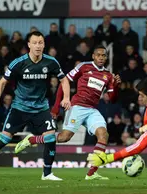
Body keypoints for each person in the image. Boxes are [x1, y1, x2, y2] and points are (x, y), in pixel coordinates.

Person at [0, 31, 71, 181]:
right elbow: (2, 82)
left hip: (41, 108)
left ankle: (47, 174)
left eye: (40, 42)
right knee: (4, 138)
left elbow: (64, 80)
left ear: (44, 45)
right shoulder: (18, 63)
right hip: (19, 108)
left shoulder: (51, 62)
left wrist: (66, 97)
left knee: (50, 138)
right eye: (34, 42)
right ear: (29, 45)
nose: (38, 45)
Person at [15, 45, 121, 180]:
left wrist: (116, 87)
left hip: (92, 110)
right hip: (77, 107)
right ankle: (31, 139)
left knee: (103, 135)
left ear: (106, 58)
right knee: (64, 137)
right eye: (98, 55)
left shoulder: (108, 75)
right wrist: (56, 106)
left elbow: (113, 99)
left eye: (103, 55)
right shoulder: (83, 67)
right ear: (93, 56)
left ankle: (92, 173)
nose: (101, 57)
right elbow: (64, 82)